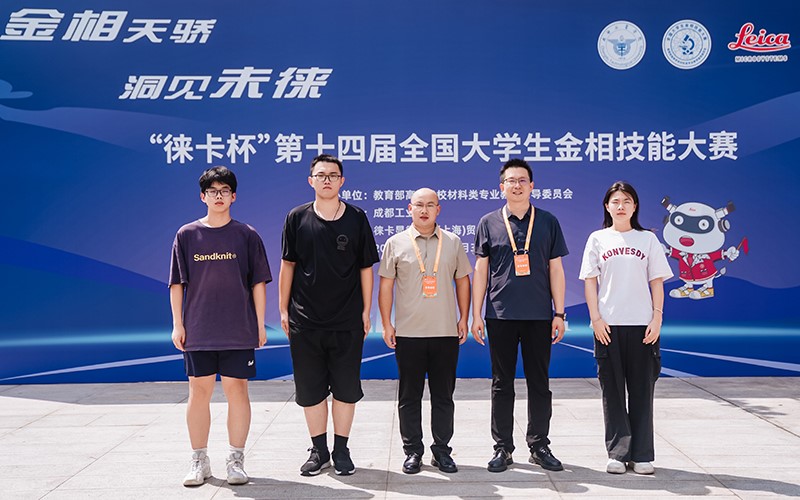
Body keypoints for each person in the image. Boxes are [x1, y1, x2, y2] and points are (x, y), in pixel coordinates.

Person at [169, 166, 271, 486]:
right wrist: (178, 324)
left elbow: (258, 283)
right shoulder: (187, 234)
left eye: (224, 191)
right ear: (202, 196)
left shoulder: (247, 235)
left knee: (237, 390)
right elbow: (177, 284)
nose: (218, 196)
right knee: (198, 392)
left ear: (233, 196)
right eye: (212, 191)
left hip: (238, 328)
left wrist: (260, 324)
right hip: (198, 328)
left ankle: (235, 459)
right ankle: (199, 459)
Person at [279, 154, 379, 476]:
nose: (326, 180)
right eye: (320, 175)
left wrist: (366, 310)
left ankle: (341, 449)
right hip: (305, 320)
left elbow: (365, 268)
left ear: (342, 181)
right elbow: (288, 265)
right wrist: (283, 309)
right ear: (311, 180)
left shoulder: (357, 217)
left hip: (347, 319)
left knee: (346, 389)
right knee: (311, 390)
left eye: (333, 175)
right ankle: (319, 450)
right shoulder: (296, 217)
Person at [471, 158, 568, 473]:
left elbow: (556, 269)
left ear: (532, 186)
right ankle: (503, 448)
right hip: (500, 315)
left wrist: (559, 313)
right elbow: (481, 270)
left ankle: (539, 445)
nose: (517, 185)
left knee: (539, 382)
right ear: (502, 186)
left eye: (522, 180)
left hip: (539, 315)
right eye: (511, 180)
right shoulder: (488, 222)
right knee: (502, 383)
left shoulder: (548, 221)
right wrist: (476, 315)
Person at [578, 181, 673, 475]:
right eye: (615, 201)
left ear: (635, 207)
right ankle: (618, 453)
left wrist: (656, 319)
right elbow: (590, 282)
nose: (621, 206)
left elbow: (657, 282)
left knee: (642, 390)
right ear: (607, 206)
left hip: (643, 327)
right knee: (613, 392)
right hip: (608, 327)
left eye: (627, 201)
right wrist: (596, 319)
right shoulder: (597, 239)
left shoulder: (648, 240)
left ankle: (642, 454)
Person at [378, 188, 472, 475]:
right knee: (409, 396)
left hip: (445, 332)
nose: (424, 210)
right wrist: (387, 324)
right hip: (408, 334)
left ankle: (442, 451)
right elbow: (386, 286)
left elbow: (463, 281)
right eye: (419, 205)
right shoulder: (395, 243)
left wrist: (464, 318)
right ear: (409, 208)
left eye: (430, 205)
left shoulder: (453, 242)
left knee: (443, 396)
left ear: (438, 209)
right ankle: (413, 451)